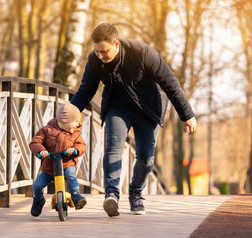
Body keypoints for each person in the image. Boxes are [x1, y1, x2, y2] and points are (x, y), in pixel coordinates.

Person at [70, 23, 197, 217]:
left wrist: (186, 115)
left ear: (116, 44)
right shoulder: (94, 61)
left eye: (104, 52)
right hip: (117, 107)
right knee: (113, 146)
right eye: (97, 51)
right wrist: (70, 114)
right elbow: (85, 90)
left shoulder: (143, 53)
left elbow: (170, 84)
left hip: (147, 109)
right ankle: (111, 194)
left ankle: (136, 193)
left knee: (146, 158)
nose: (100, 56)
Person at [29, 102, 87, 217]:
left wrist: (75, 150)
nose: (77, 124)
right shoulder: (46, 131)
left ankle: (76, 196)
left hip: (67, 164)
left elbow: (82, 145)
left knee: (71, 176)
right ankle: (39, 200)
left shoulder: (75, 134)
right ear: (64, 121)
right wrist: (41, 151)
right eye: (75, 121)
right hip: (49, 167)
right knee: (37, 185)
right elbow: (35, 142)